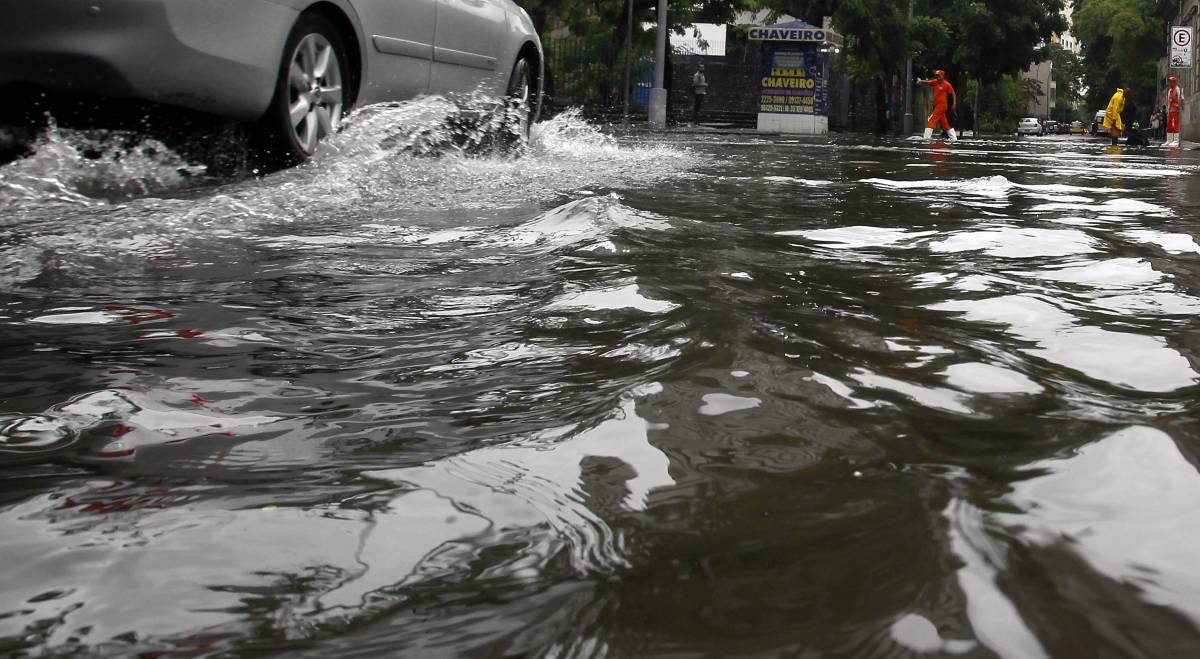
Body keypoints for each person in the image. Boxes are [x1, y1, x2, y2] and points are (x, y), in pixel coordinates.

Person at [917, 69, 957, 142]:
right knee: (945, 124)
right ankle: (954, 138)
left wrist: (954, 104)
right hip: (937, 106)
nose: (937, 77)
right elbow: (928, 82)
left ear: (943, 76)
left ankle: (926, 138)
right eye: (936, 76)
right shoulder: (935, 82)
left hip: (942, 106)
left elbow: (953, 93)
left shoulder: (947, 84)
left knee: (931, 120)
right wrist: (921, 81)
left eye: (939, 76)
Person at [1165, 75, 1185, 146]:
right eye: (1169, 82)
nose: (1170, 83)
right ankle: (1169, 140)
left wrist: (1180, 107)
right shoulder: (1170, 90)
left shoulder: (1177, 89)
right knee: (1169, 125)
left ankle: (1176, 141)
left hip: (1176, 110)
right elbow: (1168, 101)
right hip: (1171, 110)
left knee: (1175, 125)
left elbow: (1180, 98)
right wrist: (1168, 110)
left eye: (1171, 82)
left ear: (1174, 82)